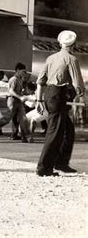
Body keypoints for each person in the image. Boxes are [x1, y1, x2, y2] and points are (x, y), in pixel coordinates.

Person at [35, 30, 85, 176]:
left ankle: (61, 163)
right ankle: (43, 168)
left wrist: (39, 100)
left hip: (49, 95)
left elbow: (40, 81)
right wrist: (81, 93)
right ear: (74, 44)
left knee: (68, 130)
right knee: (54, 132)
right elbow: (79, 85)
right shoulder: (71, 59)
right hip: (58, 96)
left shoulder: (51, 58)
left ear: (60, 43)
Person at [0, 63, 30, 142]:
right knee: (7, 119)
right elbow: (11, 91)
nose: (24, 73)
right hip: (12, 100)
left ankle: (24, 137)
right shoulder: (13, 79)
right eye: (23, 71)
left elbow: (21, 91)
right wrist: (20, 97)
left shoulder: (20, 79)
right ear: (18, 70)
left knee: (23, 118)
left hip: (18, 101)